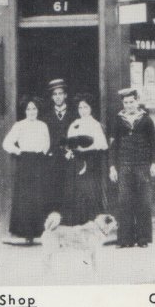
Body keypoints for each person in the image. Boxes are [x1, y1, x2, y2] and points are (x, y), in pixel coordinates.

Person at [108, 88, 155, 248]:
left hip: (143, 166)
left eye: (131, 102)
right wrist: (112, 167)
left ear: (137, 102)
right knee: (124, 202)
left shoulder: (146, 120)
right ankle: (125, 240)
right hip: (124, 166)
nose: (129, 105)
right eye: (126, 102)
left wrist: (154, 162)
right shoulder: (117, 120)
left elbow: (153, 143)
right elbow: (113, 146)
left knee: (143, 202)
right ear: (123, 103)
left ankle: (143, 239)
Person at [3, 97, 50, 243]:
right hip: (25, 162)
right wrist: (19, 151)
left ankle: (38, 230)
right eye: (28, 109)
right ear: (24, 111)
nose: (31, 112)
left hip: (38, 161)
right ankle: (24, 231)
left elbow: (47, 143)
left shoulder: (42, 125)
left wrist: (41, 152)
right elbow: (6, 143)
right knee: (25, 195)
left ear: (38, 110)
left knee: (38, 194)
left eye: (34, 109)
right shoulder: (19, 125)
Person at [61, 93, 108, 226]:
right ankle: (76, 223)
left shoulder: (95, 124)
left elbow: (102, 144)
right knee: (75, 191)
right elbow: (69, 142)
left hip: (90, 160)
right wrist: (70, 151)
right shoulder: (75, 124)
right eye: (80, 108)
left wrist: (86, 149)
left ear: (90, 108)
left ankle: (90, 223)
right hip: (76, 161)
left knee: (88, 190)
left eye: (85, 107)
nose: (83, 110)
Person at [41, 79, 76, 216]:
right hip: (53, 159)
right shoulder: (46, 117)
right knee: (53, 189)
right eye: (55, 94)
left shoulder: (74, 115)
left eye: (60, 93)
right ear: (51, 97)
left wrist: (71, 150)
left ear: (65, 95)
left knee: (69, 188)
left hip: (69, 157)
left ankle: (68, 220)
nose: (58, 97)